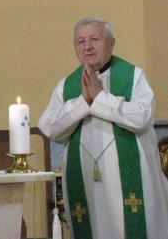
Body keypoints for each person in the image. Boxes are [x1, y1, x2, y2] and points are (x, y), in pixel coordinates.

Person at [38, 17, 168, 239]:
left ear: (111, 43)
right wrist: (83, 102)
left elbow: (142, 118)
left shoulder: (133, 76)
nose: (87, 46)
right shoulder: (66, 86)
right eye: (80, 41)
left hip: (131, 183)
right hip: (87, 185)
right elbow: (49, 128)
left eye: (94, 39)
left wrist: (100, 98)